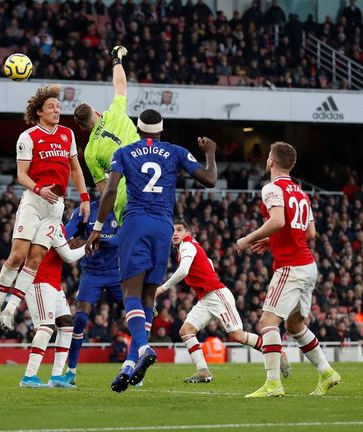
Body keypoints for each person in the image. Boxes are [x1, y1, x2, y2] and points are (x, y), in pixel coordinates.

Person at [85, 109, 217, 392]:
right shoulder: (176, 151)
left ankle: (143, 348)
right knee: (147, 297)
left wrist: (97, 226)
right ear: (161, 129)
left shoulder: (124, 151)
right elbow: (209, 179)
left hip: (136, 222)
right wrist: (211, 153)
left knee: (130, 293)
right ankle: (130, 365)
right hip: (163, 227)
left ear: (137, 127)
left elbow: (109, 192)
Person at [0, 84, 90, 330]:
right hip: (34, 201)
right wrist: (40, 189)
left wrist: (84, 199)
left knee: (35, 260)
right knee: (18, 256)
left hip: (56, 207)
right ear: (39, 112)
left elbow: (75, 169)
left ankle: (9, 311)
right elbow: (22, 175)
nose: (56, 110)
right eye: (51, 107)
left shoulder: (67, 134)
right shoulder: (28, 137)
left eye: (58, 107)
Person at [236, 142, 340, 397]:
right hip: (308, 266)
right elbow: (310, 233)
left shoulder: (272, 188)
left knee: (267, 323)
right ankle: (327, 373)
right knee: (294, 326)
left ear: (271, 161)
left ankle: (273, 384)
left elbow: (279, 220)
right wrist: (271, 240)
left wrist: (248, 239)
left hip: (291, 266)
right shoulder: (301, 192)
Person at [155, 220, 290, 383]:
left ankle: (277, 352)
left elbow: (184, 270)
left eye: (179, 230)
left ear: (188, 233)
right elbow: (209, 263)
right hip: (206, 298)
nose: (175, 234)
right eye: (173, 231)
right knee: (186, 331)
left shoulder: (187, 245)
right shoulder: (191, 246)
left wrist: (163, 288)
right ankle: (203, 371)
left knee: (238, 335)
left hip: (216, 295)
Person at [73, 45, 139, 226]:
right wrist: (117, 60)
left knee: (132, 250)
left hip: (124, 197)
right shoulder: (114, 112)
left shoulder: (90, 152)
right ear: (95, 111)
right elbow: (120, 84)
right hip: (148, 183)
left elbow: (105, 191)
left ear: (81, 127)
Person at [60, 200, 121, 386]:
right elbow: (67, 232)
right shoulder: (86, 210)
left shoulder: (122, 209)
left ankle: (133, 365)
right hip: (92, 273)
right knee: (79, 319)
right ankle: (71, 372)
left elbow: (119, 240)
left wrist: (89, 240)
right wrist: (59, 235)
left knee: (140, 314)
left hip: (117, 272)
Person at [19, 223, 85, 388]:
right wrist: (89, 244)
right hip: (39, 280)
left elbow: (57, 249)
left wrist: (69, 245)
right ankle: (29, 376)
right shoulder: (49, 223)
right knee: (46, 327)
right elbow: (69, 257)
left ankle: (56, 376)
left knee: (67, 324)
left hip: (53, 282)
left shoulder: (56, 223)